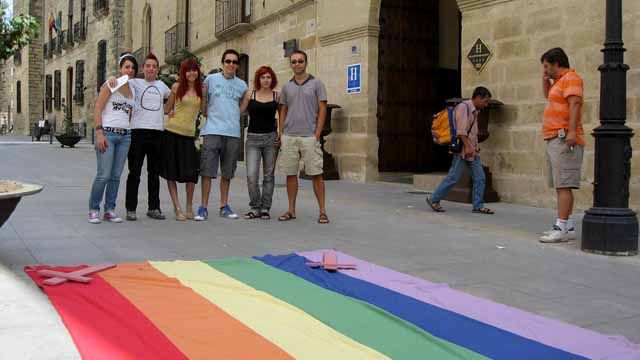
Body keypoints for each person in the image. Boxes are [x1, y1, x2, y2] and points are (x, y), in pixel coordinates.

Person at [109, 53, 171, 221]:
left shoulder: (162, 86)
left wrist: (169, 110)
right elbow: (121, 79)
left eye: (154, 66)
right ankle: (131, 208)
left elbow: (171, 98)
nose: (151, 68)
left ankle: (154, 207)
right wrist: (112, 77)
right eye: (148, 66)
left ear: (158, 69)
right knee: (134, 172)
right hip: (138, 132)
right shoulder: (135, 83)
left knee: (154, 172)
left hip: (157, 132)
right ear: (143, 69)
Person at [194, 49, 248, 221]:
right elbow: (203, 99)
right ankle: (203, 207)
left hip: (232, 133)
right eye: (228, 61)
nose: (231, 64)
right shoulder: (211, 80)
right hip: (212, 131)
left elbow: (245, 102)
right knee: (207, 172)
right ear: (222, 63)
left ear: (237, 66)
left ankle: (224, 205)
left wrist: (236, 115)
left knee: (227, 173)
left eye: (234, 62)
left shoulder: (242, 85)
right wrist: (204, 113)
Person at [277, 50, 329, 224]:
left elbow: (322, 109)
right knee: (290, 174)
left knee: (316, 174)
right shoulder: (287, 87)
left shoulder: (317, 84)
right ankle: (291, 210)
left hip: (309, 136)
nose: (297, 64)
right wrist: (281, 131)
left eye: (300, 61)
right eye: (294, 62)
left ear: (306, 63)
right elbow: (283, 109)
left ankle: (322, 211)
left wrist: (317, 134)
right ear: (291, 64)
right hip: (289, 136)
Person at [539, 48, 584, 243]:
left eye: (547, 66)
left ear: (557, 63)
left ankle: (561, 226)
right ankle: (568, 227)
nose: (545, 70)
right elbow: (549, 97)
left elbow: (574, 104)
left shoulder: (571, 78)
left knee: (564, 184)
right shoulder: (558, 82)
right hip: (554, 137)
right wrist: (545, 81)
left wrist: (572, 132)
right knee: (560, 184)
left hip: (563, 136)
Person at [426, 87, 494, 214]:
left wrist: (474, 147)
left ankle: (478, 205)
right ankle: (433, 199)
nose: (486, 105)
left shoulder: (474, 110)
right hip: (463, 150)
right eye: (485, 101)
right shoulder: (464, 107)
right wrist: (468, 146)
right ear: (478, 98)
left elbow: (472, 132)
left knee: (480, 177)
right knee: (453, 177)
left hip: (471, 150)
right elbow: (461, 132)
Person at [88, 53, 137, 224]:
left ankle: (110, 209)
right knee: (103, 174)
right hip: (107, 133)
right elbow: (98, 108)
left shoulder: (133, 90)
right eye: (127, 67)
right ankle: (94, 209)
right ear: (121, 68)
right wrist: (99, 133)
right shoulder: (112, 84)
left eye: (132, 68)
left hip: (125, 136)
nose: (130, 70)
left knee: (116, 175)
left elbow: (129, 114)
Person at [160, 58, 205, 221]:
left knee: (191, 174)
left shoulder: (202, 89)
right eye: (188, 70)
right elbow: (167, 108)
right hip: (172, 133)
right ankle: (177, 207)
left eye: (194, 70)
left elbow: (205, 110)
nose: (191, 73)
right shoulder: (176, 87)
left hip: (189, 137)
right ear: (183, 73)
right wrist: (168, 113)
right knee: (171, 172)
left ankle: (189, 206)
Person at [242, 66, 279, 220]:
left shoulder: (278, 95)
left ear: (272, 79)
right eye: (263, 77)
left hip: (271, 138)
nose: (266, 80)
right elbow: (240, 111)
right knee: (251, 175)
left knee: (268, 175)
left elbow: (283, 115)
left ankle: (265, 208)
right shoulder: (251, 94)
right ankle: (255, 207)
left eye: (268, 77)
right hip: (253, 139)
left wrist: (281, 133)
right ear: (258, 79)